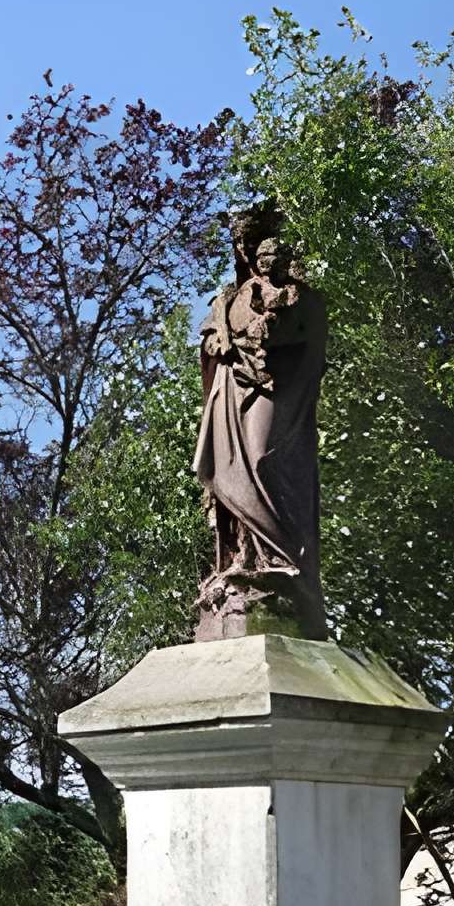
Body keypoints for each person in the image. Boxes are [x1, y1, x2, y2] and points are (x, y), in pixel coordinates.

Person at [192, 201, 328, 640]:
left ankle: (282, 561)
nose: (255, 256)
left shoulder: (299, 298)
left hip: (273, 390)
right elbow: (210, 338)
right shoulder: (228, 299)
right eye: (248, 248)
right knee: (228, 470)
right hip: (230, 395)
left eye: (262, 248)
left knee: (264, 459)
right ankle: (243, 562)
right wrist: (218, 343)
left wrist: (271, 341)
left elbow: (308, 343)